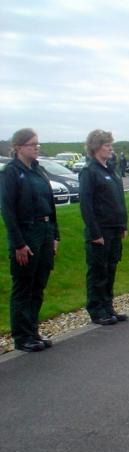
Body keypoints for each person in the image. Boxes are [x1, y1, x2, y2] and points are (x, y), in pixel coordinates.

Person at [0, 128, 59, 352]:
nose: (36, 147)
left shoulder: (38, 170)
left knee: (38, 283)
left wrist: (55, 235)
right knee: (24, 285)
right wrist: (18, 243)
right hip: (27, 232)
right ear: (18, 147)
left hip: (44, 230)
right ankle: (22, 335)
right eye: (32, 144)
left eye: (38, 144)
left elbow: (50, 205)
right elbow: (8, 211)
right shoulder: (11, 173)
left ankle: (32, 329)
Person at [79, 129, 128, 326]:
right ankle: (97, 309)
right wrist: (94, 232)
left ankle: (108, 306)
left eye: (110, 145)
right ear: (96, 147)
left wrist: (122, 224)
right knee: (98, 271)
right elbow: (86, 205)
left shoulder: (110, 170)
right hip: (100, 230)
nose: (111, 149)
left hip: (114, 228)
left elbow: (119, 200)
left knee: (111, 268)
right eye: (107, 145)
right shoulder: (89, 171)